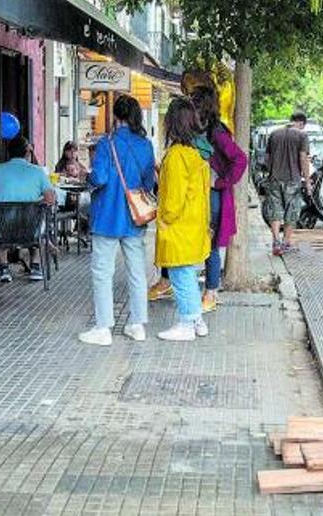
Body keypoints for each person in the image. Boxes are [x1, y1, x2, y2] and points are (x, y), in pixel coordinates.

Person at [145, 86, 247, 312]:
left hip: (211, 197)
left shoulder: (216, 132)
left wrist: (219, 182)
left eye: (195, 102)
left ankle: (210, 292)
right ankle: (167, 281)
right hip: (192, 194)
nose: (192, 107)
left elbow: (240, 159)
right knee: (177, 239)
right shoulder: (189, 132)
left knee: (208, 243)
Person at [77, 94, 157, 346]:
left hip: (108, 217)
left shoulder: (106, 143)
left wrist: (87, 177)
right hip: (135, 218)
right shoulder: (146, 145)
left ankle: (103, 328)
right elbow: (148, 183)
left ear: (116, 117)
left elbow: (99, 178)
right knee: (137, 272)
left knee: (102, 272)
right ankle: (137, 324)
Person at [154, 97, 211, 341]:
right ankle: (197, 320)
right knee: (187, 273)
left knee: (181, 276)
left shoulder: (176, 156)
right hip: (193, 226)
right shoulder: (195, 155)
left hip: (178, 226)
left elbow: (173, 200)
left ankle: (187, 323)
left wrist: (164, 219)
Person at [0, 136, 57, 283]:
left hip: (4, 230)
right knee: (38, 225)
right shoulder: (38, 172)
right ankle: (35, 267)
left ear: (9, 152)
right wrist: (36, 202)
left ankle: (4, 269)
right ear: (27, 152)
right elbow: (51, 200)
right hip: (31, 229)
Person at [262, 112, 312, 255]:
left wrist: (272, 171)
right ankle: (286, 243)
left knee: (275, 211)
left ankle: (276, 242)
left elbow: (267, 158)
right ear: (301, 123)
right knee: (292, 211)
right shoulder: (302, 136)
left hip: (274, 179)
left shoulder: (274, 134)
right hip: (293, 180)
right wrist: (307, 181)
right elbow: (303, 158)